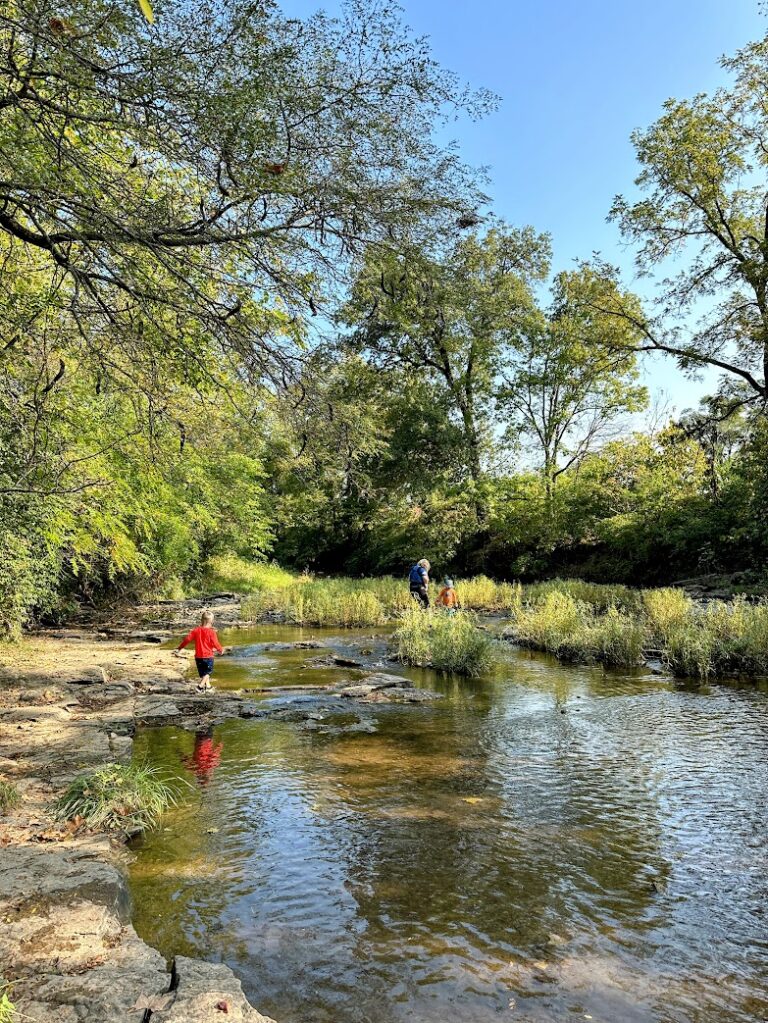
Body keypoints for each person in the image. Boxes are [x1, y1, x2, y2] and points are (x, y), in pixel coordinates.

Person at [176, 610, 224, 691]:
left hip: (198, 657)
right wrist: (220, 650)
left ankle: (208, 687)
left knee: (203, 673)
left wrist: (180, 647)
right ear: (211, 621)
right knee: (208, 673)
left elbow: (187, 639)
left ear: (201, 620)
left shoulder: (196, 630)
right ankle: (200, 687)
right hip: (208, 656)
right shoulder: (211, 632)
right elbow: (216, 643)